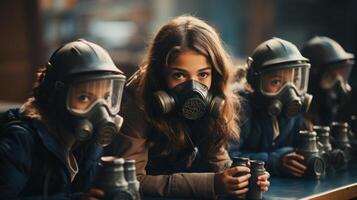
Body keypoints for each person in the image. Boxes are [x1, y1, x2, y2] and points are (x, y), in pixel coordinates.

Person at [106, 16, 270, 199]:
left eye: (203, 74)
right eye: (179, 75)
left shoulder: (213, 101)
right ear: (159, 75)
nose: (193, 88)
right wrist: (212, 183)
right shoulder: (138, 103)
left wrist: (239, 177)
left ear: (215, 75)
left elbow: (219, 160)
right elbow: (132, 181)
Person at [0, 39, 126, 199]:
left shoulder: (90, 142)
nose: (100, 111)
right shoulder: (20, 140)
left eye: (107, 97)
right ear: (56, 96)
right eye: (84, 98)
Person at [229, 38, 313, 177]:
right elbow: (229, 157)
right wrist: (276, 161)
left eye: (295, 80)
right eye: (276, 81)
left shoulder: (295, 113)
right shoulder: (241, 108)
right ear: (255, 81)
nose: (290, 92)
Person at [300, 36, 355, 126]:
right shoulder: (297, 124)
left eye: (342, 75)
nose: (339, 85)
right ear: (312, 80)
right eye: (330, 76)